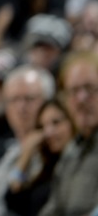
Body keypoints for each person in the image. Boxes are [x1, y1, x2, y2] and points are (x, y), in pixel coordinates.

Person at [0, 64, 56, 216]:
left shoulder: (52, 149)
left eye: (29, 99)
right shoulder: (11, 150)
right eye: (14, 100)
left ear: (48, 102)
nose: (21, 107)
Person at [39, 50, 98, 216]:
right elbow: (54, 207)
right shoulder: (72, 151)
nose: (81, 98)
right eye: (73, 91)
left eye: (90, 88)